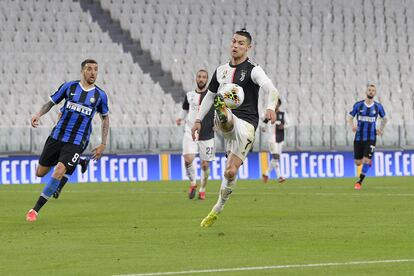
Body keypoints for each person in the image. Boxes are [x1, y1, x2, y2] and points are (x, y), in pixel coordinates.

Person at [191, 29, 279, 227]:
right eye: (233, 42)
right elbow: (209, 96)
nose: (235, 46)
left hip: (247, 125)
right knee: (221, 102)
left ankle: (217, 208)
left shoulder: (254, 70)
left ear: (248, 47)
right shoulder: (221, 71)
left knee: (230, 172)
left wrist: (270, 107)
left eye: (240, 43)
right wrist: (197, 119)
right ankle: (223, 112)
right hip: (227, 121)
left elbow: (272, 89)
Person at [26, 59, 110, 221]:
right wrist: (38, 114)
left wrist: (103, 143)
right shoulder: (69, 87)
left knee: (59, 170)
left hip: (77, 140)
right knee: (40, 173)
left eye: (96, 70)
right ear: (82, 71)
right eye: (89, 69)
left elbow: (105, 118)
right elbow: (51, 103)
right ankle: (78, 162)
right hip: (57, 137)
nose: (93, 72)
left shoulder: (100, 95)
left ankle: (34, 210)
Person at [176, 69, 215, 200]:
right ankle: (193, 183)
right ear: (196, 78)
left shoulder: (212, 96)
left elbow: (218, 111)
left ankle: (203, 189)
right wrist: (180, 118)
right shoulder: (189, 95)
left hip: (207, 133)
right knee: (188, 159)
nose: (201, 79)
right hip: (190, 131)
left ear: (207, 79)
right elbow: (185, 109)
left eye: (204, 77)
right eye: (199, 76)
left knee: (205, 165)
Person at [347, 84, 387, 190]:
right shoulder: (358, 105)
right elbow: (350, 118)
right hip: (359, 137)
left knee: (365, 160)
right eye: (369, 90)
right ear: (366, 91)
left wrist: (380, 129)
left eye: (373, 90)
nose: (371, 92)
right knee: (357, 163)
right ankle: (368, 161)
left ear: (375, 93)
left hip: (371, 137)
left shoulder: (378, 106)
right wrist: (353, 127)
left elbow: (385, 119)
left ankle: (359, 182)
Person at [52, 109, 90, 199]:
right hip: (68, 137)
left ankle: (58, 188)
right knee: (64, 159)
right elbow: (61, 113)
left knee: (68, 163)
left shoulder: (86, 109)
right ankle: (82, 162)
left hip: (80, 139)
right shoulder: (72, 104)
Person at [262, 99, 290, 183]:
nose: (276, 105)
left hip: (280, 138)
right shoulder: (269, 114)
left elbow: (288, 123)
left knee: (276, 158)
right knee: (276, 157)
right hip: (271, 138)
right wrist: (264, 127)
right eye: (274, 103)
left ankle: (266, 174)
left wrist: (283, 126)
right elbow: (264, 123)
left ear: (279, 104)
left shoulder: (283, 114)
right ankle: (279, 176)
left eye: (277, 103)